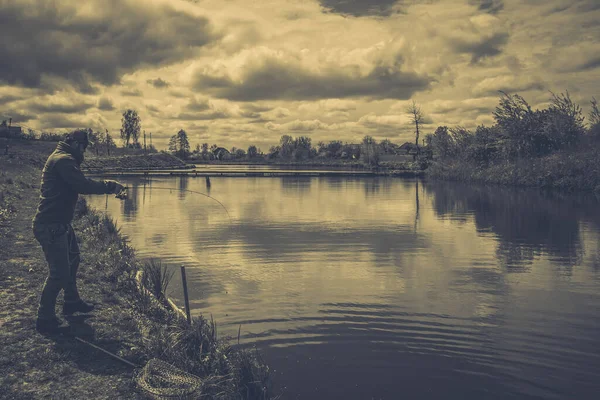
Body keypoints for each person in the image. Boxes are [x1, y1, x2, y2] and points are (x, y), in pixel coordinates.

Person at [32, 129, 125, 334]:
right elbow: (82, 185)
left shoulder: (62, 157)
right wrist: (111, 186)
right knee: (58, 274)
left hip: (60, 224)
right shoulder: (64, 160)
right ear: (75, 143)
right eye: (83, 147)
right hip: (51, 225)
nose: (84, 151)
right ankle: (44, 318)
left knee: (73, 259)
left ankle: (71, 302)